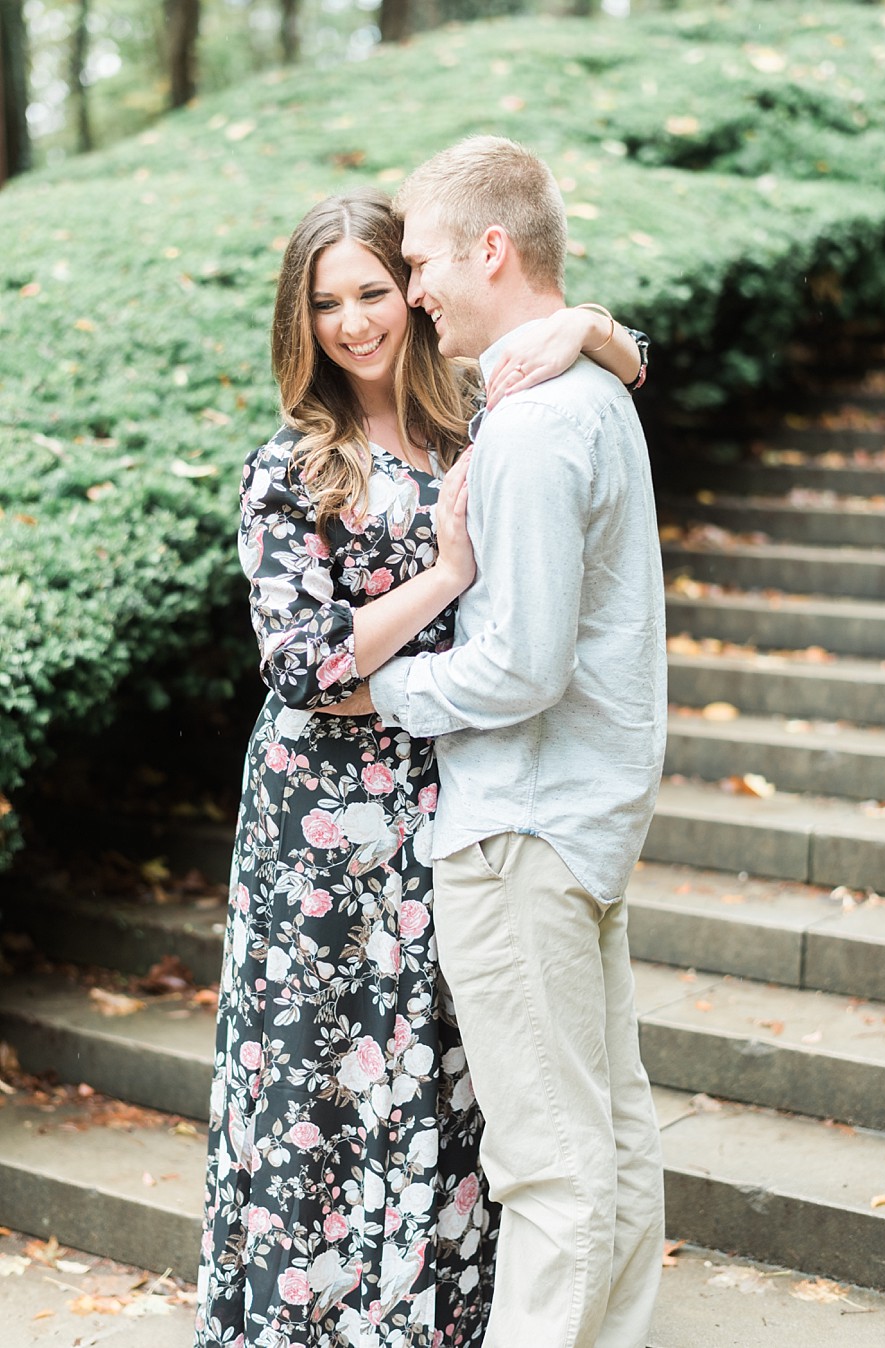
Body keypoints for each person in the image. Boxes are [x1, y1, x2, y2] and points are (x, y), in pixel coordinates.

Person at [194, 185, 650, 1348]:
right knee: (316, 1088)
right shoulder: (293, 469)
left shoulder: (480, 422)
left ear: (414, 289)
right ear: (303, 320)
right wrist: (443, 580)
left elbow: (612, 375)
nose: (356, 322)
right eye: (329, 302)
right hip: (319, 825)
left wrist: (599, 329)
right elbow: (298, 667)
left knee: (447, 1085)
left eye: (375, 291)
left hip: (450, 788)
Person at [368, 138, 667, 1348]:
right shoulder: (578, 390)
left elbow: (523, 666)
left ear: (493, 249)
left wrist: (381, 692)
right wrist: (604, 330)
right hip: (576, 822)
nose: (414, 284)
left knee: (548, 1166)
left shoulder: (541, 423)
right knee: (612, 1146)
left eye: (424, 259)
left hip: (520, 830)